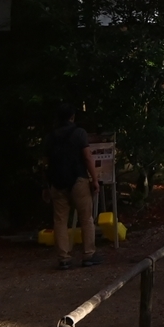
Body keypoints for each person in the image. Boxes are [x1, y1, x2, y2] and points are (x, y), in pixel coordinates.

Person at [46, 104, 102, 270]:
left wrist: (46, 185)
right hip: (78, 179)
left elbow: (45, 163)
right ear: (72, 117)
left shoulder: (50, 136)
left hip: (56, 182)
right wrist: (94, 179)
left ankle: (63, 258)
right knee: (86, 218)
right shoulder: (79, 133)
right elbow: (87, 157)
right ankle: (88, 254)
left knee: (60, 221)